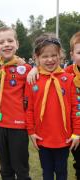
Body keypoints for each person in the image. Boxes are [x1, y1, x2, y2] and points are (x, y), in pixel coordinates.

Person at [25, 33, 80, 180]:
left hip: (64, 139)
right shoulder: (32, 80)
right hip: (42, 138)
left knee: (62, 173)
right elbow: (29, 109)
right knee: (47, 173)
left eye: (53, 55)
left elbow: (76, 109)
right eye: (44, 56)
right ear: (36, 58)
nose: (50, 60)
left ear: (60, 55)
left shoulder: (68, 79)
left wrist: (77, 132)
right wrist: (31, 132)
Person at [0, 26, 31, 180]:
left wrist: (32, 69)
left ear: (17, 44)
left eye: (10, 40)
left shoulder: (25, 69)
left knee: (21, 168)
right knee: (5, 169)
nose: (6, 44)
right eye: (1, 42)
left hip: (18, 126)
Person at [64, 31, 80, 180]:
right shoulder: (66, 74)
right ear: (72, 55)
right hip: (76, 130)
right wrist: (35, 69)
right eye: (79, 52)